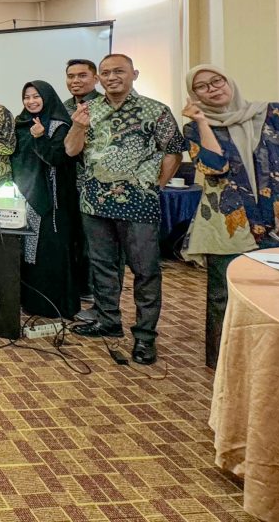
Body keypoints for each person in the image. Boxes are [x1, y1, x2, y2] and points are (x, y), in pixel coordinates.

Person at [182, 64, 279, 368]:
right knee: (224, 295)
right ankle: (225, 364)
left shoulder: (275, 113)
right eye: (201, 86)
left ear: (228, 80)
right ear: (194, 95)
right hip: (226, 222)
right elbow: (215, 167)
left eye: (216, 81)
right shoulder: (192, 127)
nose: (212, 88)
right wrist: (203, 122)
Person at [64, 54, 185, 365]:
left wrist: (155, 185)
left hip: (140, 204)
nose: (111, 77)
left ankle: (144, 337)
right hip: (95, 201)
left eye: (119, 71)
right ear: (99, 79)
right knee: (102, 266)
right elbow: (71, 150)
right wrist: (78, 127)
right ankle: (108, 321)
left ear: (134, 74)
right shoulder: (89, 110)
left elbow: (173, 151)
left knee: (145, 271)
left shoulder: (155, 111)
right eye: (105, 73)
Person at [12, 81, 81, 319]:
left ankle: (53, 305)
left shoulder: (60, 126)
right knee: (26, 250)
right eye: (26, 97)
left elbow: (57, 159)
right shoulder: (21, 123)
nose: (31, 101)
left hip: (52, 201)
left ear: (47, 97)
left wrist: (40, 137)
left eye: (36, 96)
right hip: (24, 194)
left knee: (49, 251)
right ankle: (29, 300)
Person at [65, 58, 108, 323]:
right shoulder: (63, 106)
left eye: (82, 75)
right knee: (74, 239)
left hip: (98, 188)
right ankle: (77, 289)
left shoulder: (105, 107)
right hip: (68, 184)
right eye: (71, 76)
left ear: (95, 78)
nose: (76, 81)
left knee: (98, 247)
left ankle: (98, 299)